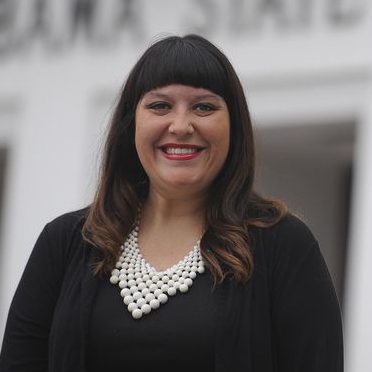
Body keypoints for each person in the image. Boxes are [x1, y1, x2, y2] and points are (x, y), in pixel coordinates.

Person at [0, 34, 343, 372]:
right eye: (160, 106)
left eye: (204, 107)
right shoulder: (65, 243)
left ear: (234, 128)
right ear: (130, 124)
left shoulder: (283, 246)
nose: (181, 126)